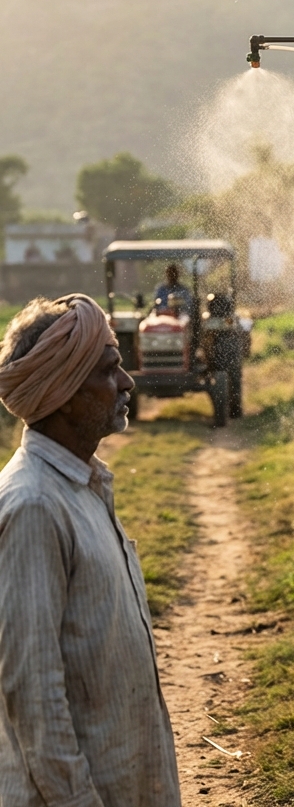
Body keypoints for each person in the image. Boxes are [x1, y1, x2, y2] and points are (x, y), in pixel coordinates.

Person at [0, 294, 181, 807]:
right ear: (62, 392)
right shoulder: (34, 505)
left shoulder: (83, 485)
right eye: (107, 370)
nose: (126, 383)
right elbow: (33, 695)